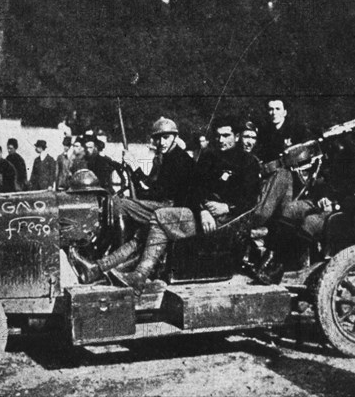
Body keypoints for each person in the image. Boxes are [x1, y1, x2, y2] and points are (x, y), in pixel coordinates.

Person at [104, 118, 260, 294]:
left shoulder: (249, 163)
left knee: (160, 217)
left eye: (226, 135)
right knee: (160, 221)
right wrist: (202, 210)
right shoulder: (208, 157)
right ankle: (135, 275)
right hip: (202, 218)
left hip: (227, 224)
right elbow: (193, 188)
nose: (221, 140)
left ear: (237, 136)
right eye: (217, 136)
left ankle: (132, 272)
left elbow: (251, 201)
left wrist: (228, 208)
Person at [261, 129, 355, 283]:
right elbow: (337, 185)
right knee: (292, 209)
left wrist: (339, 205)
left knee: (312, 222)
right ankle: (273, 258)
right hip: (340, 208)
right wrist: (326, 197)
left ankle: (283, 266)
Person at [72, 117, 195, 283]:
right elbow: (150, 188)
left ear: (175, 137)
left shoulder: (180, 160)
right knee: (136, 233)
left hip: (172, 212)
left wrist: (135, 169)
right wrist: (133, 170)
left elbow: (155, 192)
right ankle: (98, 267)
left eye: (166, 138)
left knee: (119, 205)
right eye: (158, 138)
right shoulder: (165, 158)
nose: (161, 142)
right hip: (162, 210)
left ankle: (98, 253)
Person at [252, 99, 311, 228]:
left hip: (294, 178)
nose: (273, 113)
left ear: (284, 112)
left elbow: (306, 156)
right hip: (269, 177)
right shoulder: (264, 133)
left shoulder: (297, 131)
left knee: (283, 175)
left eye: (277, 109)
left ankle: (259, 220)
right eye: (270, 109)